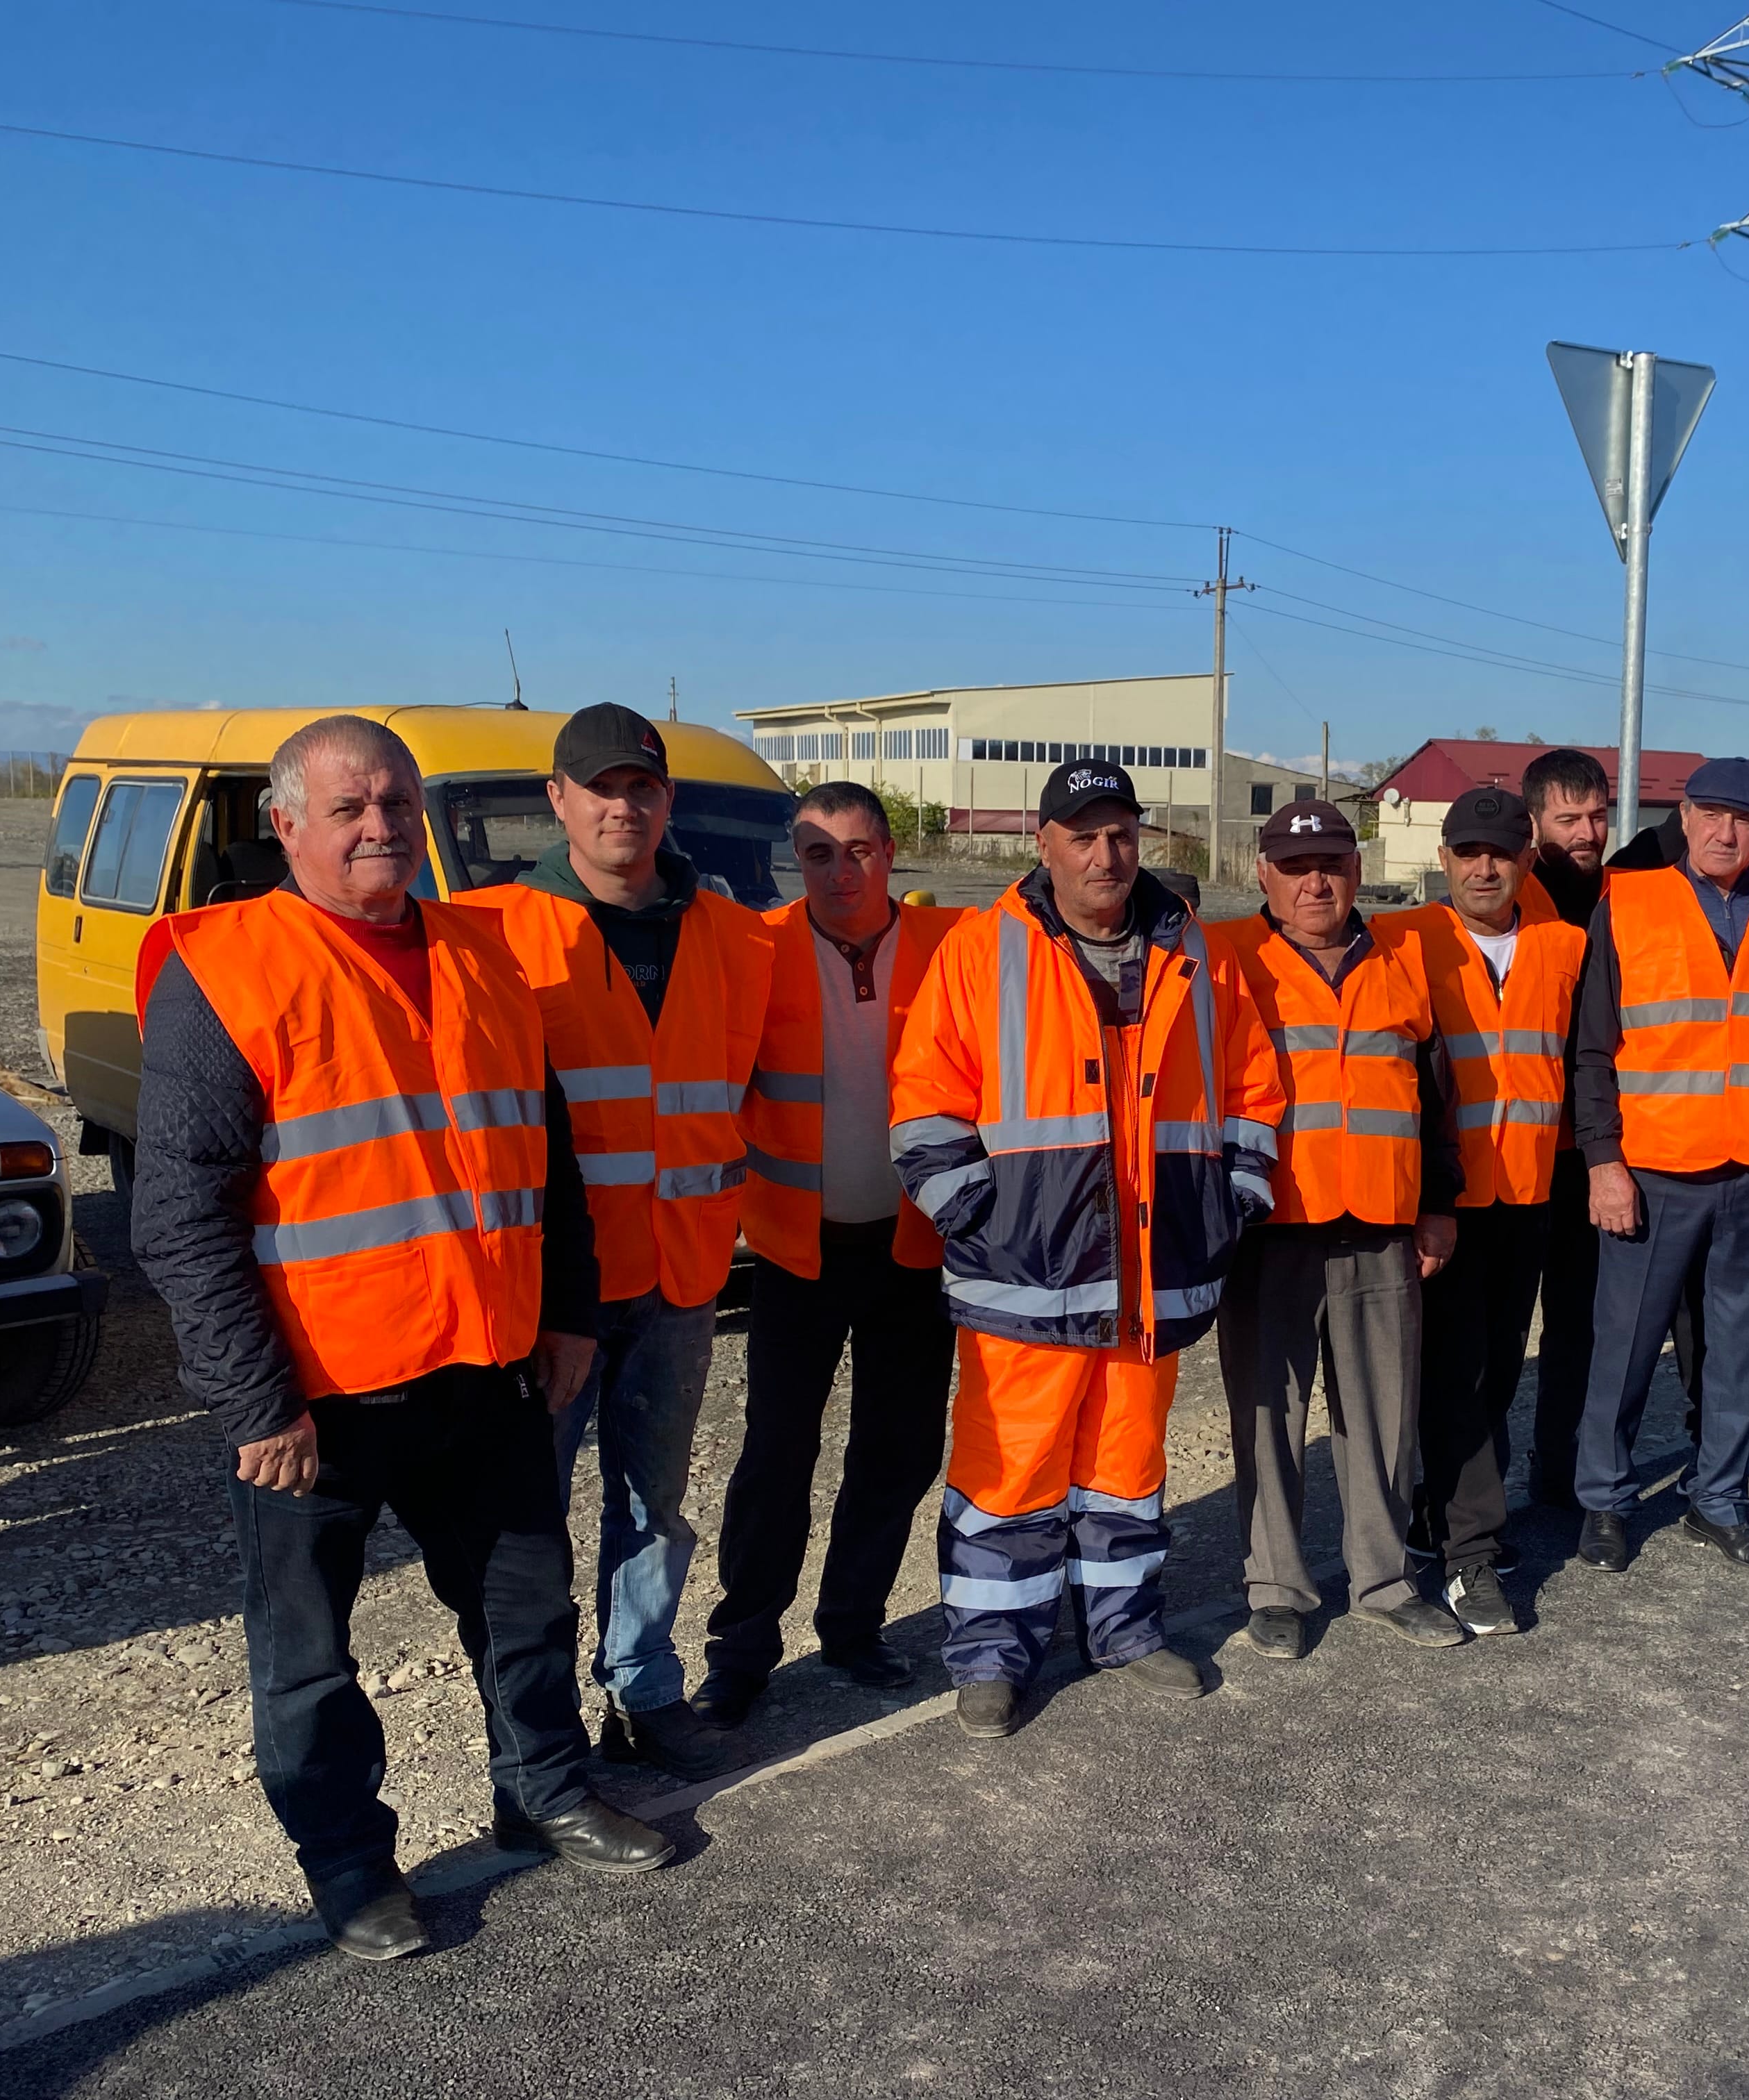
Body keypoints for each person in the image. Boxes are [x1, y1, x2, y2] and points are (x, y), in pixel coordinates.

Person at [131, 715, 669, 1965]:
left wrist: (569, 1314)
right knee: (309, 1656)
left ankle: (544, 1790)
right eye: (350, 808)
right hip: (319, 1399)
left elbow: (550, 1159)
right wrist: (253, 1401)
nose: (381, 827)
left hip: (485, 1369)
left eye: (398, 805)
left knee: (525, 1605)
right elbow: (178, 1213)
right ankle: (349, 1866)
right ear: (286, 826)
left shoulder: (483, 954)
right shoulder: (228, 969)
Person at [890, 760, 1284, 1739]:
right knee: (1009, 1470)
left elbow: (1253, 1087)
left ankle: (1125, 1629)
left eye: (1121, 834)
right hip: (1024, 1276)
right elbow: (924, 1104)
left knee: (1125, 1463)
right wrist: (979, 1217)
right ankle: (993, 1655)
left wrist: (1234, 1196)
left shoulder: (1195, 951)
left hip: (1151, 1274)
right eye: (1083, 836)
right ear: (1044, 844)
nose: (1106, 854)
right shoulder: (983, 949)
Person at [467, 703, 773, 1784]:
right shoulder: (489, 934)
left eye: (642, 788)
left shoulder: (739, 937)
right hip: (552, 1290)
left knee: (655, 1505)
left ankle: (644, 1691)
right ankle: (536, 1733)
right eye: (600, 788)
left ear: (666, 800)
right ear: (557, 800)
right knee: (528, 1522)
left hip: (682, 1277)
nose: (622, 808)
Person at [695, 783, 964, 1722]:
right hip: (794, 1254)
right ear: (793, 861)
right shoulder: (755, 948)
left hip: (914, 1250)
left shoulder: (953, 945)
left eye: (858, 851)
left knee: (898, 1451)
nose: (840, 872)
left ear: (889, 853)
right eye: (818, 854)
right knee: (776, 1455)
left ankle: (853, 1627)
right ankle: (742, 1648)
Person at [1569, 758, 1749, 1576]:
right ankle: (1605, 1502)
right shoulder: (1629, 904)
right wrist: (1603, 1161)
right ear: (1685, 817)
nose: (1727, 833)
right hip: (1653, 1168)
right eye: (1713, 816)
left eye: (1745, 819)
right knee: (1625, 1347)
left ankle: (1718, 1502)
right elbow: (1593, 1050)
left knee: (1737, 1350)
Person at [1209, 799, 1469, 1660]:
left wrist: (1438, 1205)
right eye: (1295, 868)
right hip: (1269, 1228)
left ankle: (1385, 1582)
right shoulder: (1227, 959)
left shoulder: (1401, 956)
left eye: (1331, 864)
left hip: (1381, 1226)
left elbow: (1434, 1092)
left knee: (1384, 1417)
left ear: (1357, 871)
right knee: (1267, 1415)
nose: (1314, 882)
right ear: (1263, 874)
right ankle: (1277, 1589)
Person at [1402, 785, 1586, 1635]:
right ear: (1444, 859)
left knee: (1501, 1370)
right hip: (1445, 1202)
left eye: (1502, 854)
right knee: (1457, 1374)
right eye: (1469, 853)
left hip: (1528, 1195)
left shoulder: (1566, 947)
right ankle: (1470, 1553)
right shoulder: (1405, 942)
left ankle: (1437, 1516)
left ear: (1527, 861)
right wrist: (1425, 1198)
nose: (1485, 868)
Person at [1519, 747, 1614, 1509]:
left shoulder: (1627, 895)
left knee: (1580, 1325)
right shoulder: (1507, 900)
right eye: (1568, 817)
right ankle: (1457, 1496)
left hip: (1595, 1152)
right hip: (1514, 1155)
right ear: (1534, 823)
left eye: (1597, 816)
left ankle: (1559, 1468)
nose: (1586, 832)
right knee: (1491, 1334)